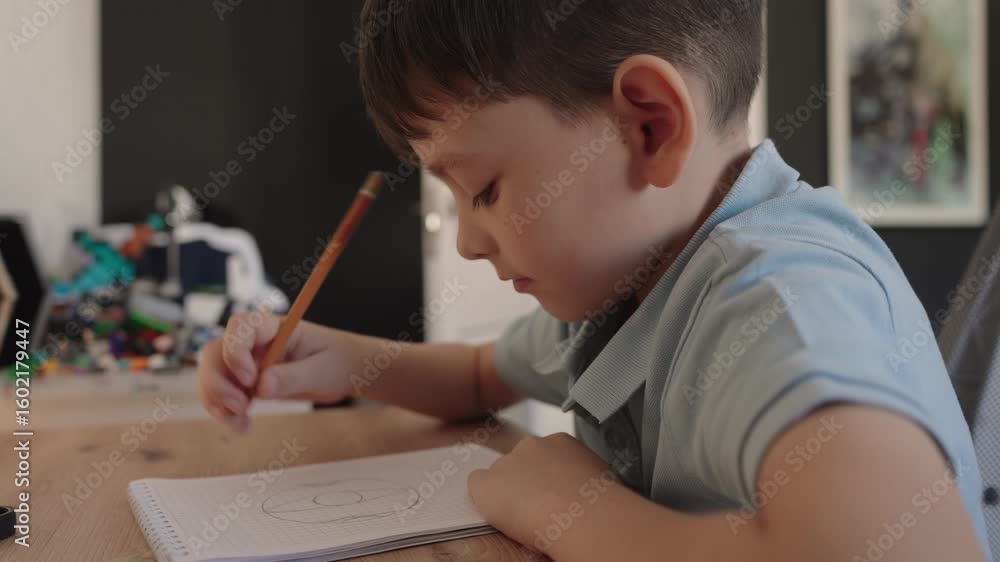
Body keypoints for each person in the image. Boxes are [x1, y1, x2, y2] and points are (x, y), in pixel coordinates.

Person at [198, 1, 989, 559]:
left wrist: (570, 512)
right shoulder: (631, 283)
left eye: (484, 190)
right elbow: (481, 374)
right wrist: (333, 358)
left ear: (649, 125)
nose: (470, 241)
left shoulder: (781, 301)